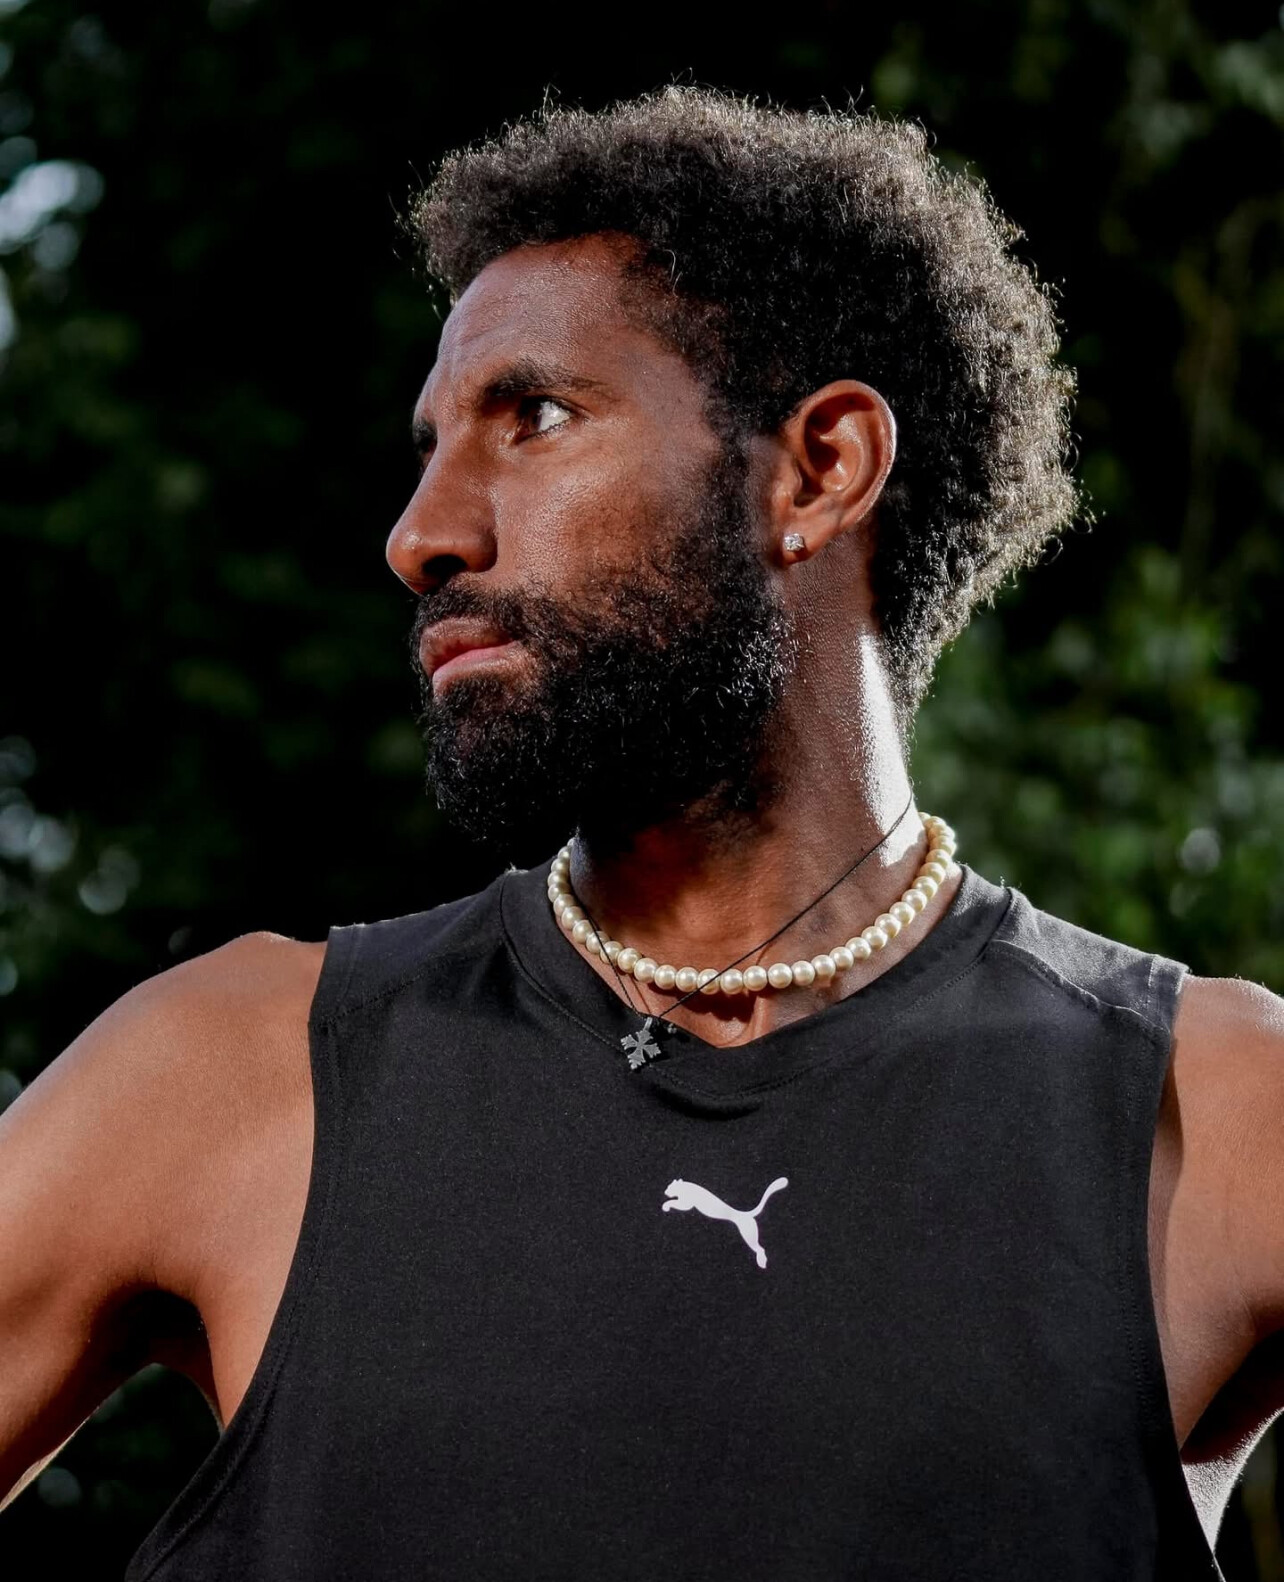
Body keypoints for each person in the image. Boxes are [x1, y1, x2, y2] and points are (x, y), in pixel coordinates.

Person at [1, 87, 1278, 1582]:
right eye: (430, 445)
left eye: (533, 417)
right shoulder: (223, 1076)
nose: (421, 535)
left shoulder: (1213, 1113)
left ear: (819, 469)